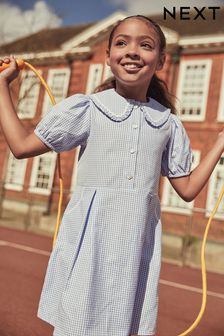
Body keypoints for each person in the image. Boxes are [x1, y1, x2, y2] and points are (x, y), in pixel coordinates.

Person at [0, 14, 223, 336]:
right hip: (89, 241)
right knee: (78, 323)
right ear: (107, 58)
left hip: (136, 246)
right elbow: (20, 146)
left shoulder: (169, 123)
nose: (132, 51)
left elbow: (187, 189)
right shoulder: (86, 109)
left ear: (160, 60)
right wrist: (3, 86)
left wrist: (219, 142)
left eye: (145, 45)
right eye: (121, 43)